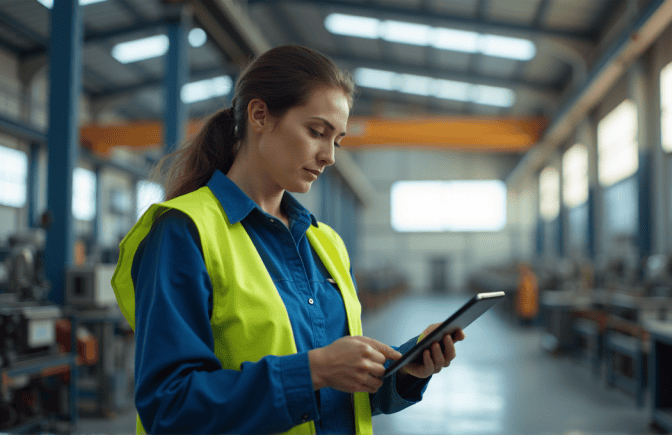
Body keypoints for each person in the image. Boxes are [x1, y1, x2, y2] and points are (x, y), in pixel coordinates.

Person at [111, 44, 465, 435]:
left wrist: (402, 371)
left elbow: (335, 398)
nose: (329, 155)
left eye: (338, 140)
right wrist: (313, 370)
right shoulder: (184, 233)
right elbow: (169, 406)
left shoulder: (325, 243)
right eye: (317, 131)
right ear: (260, 115)